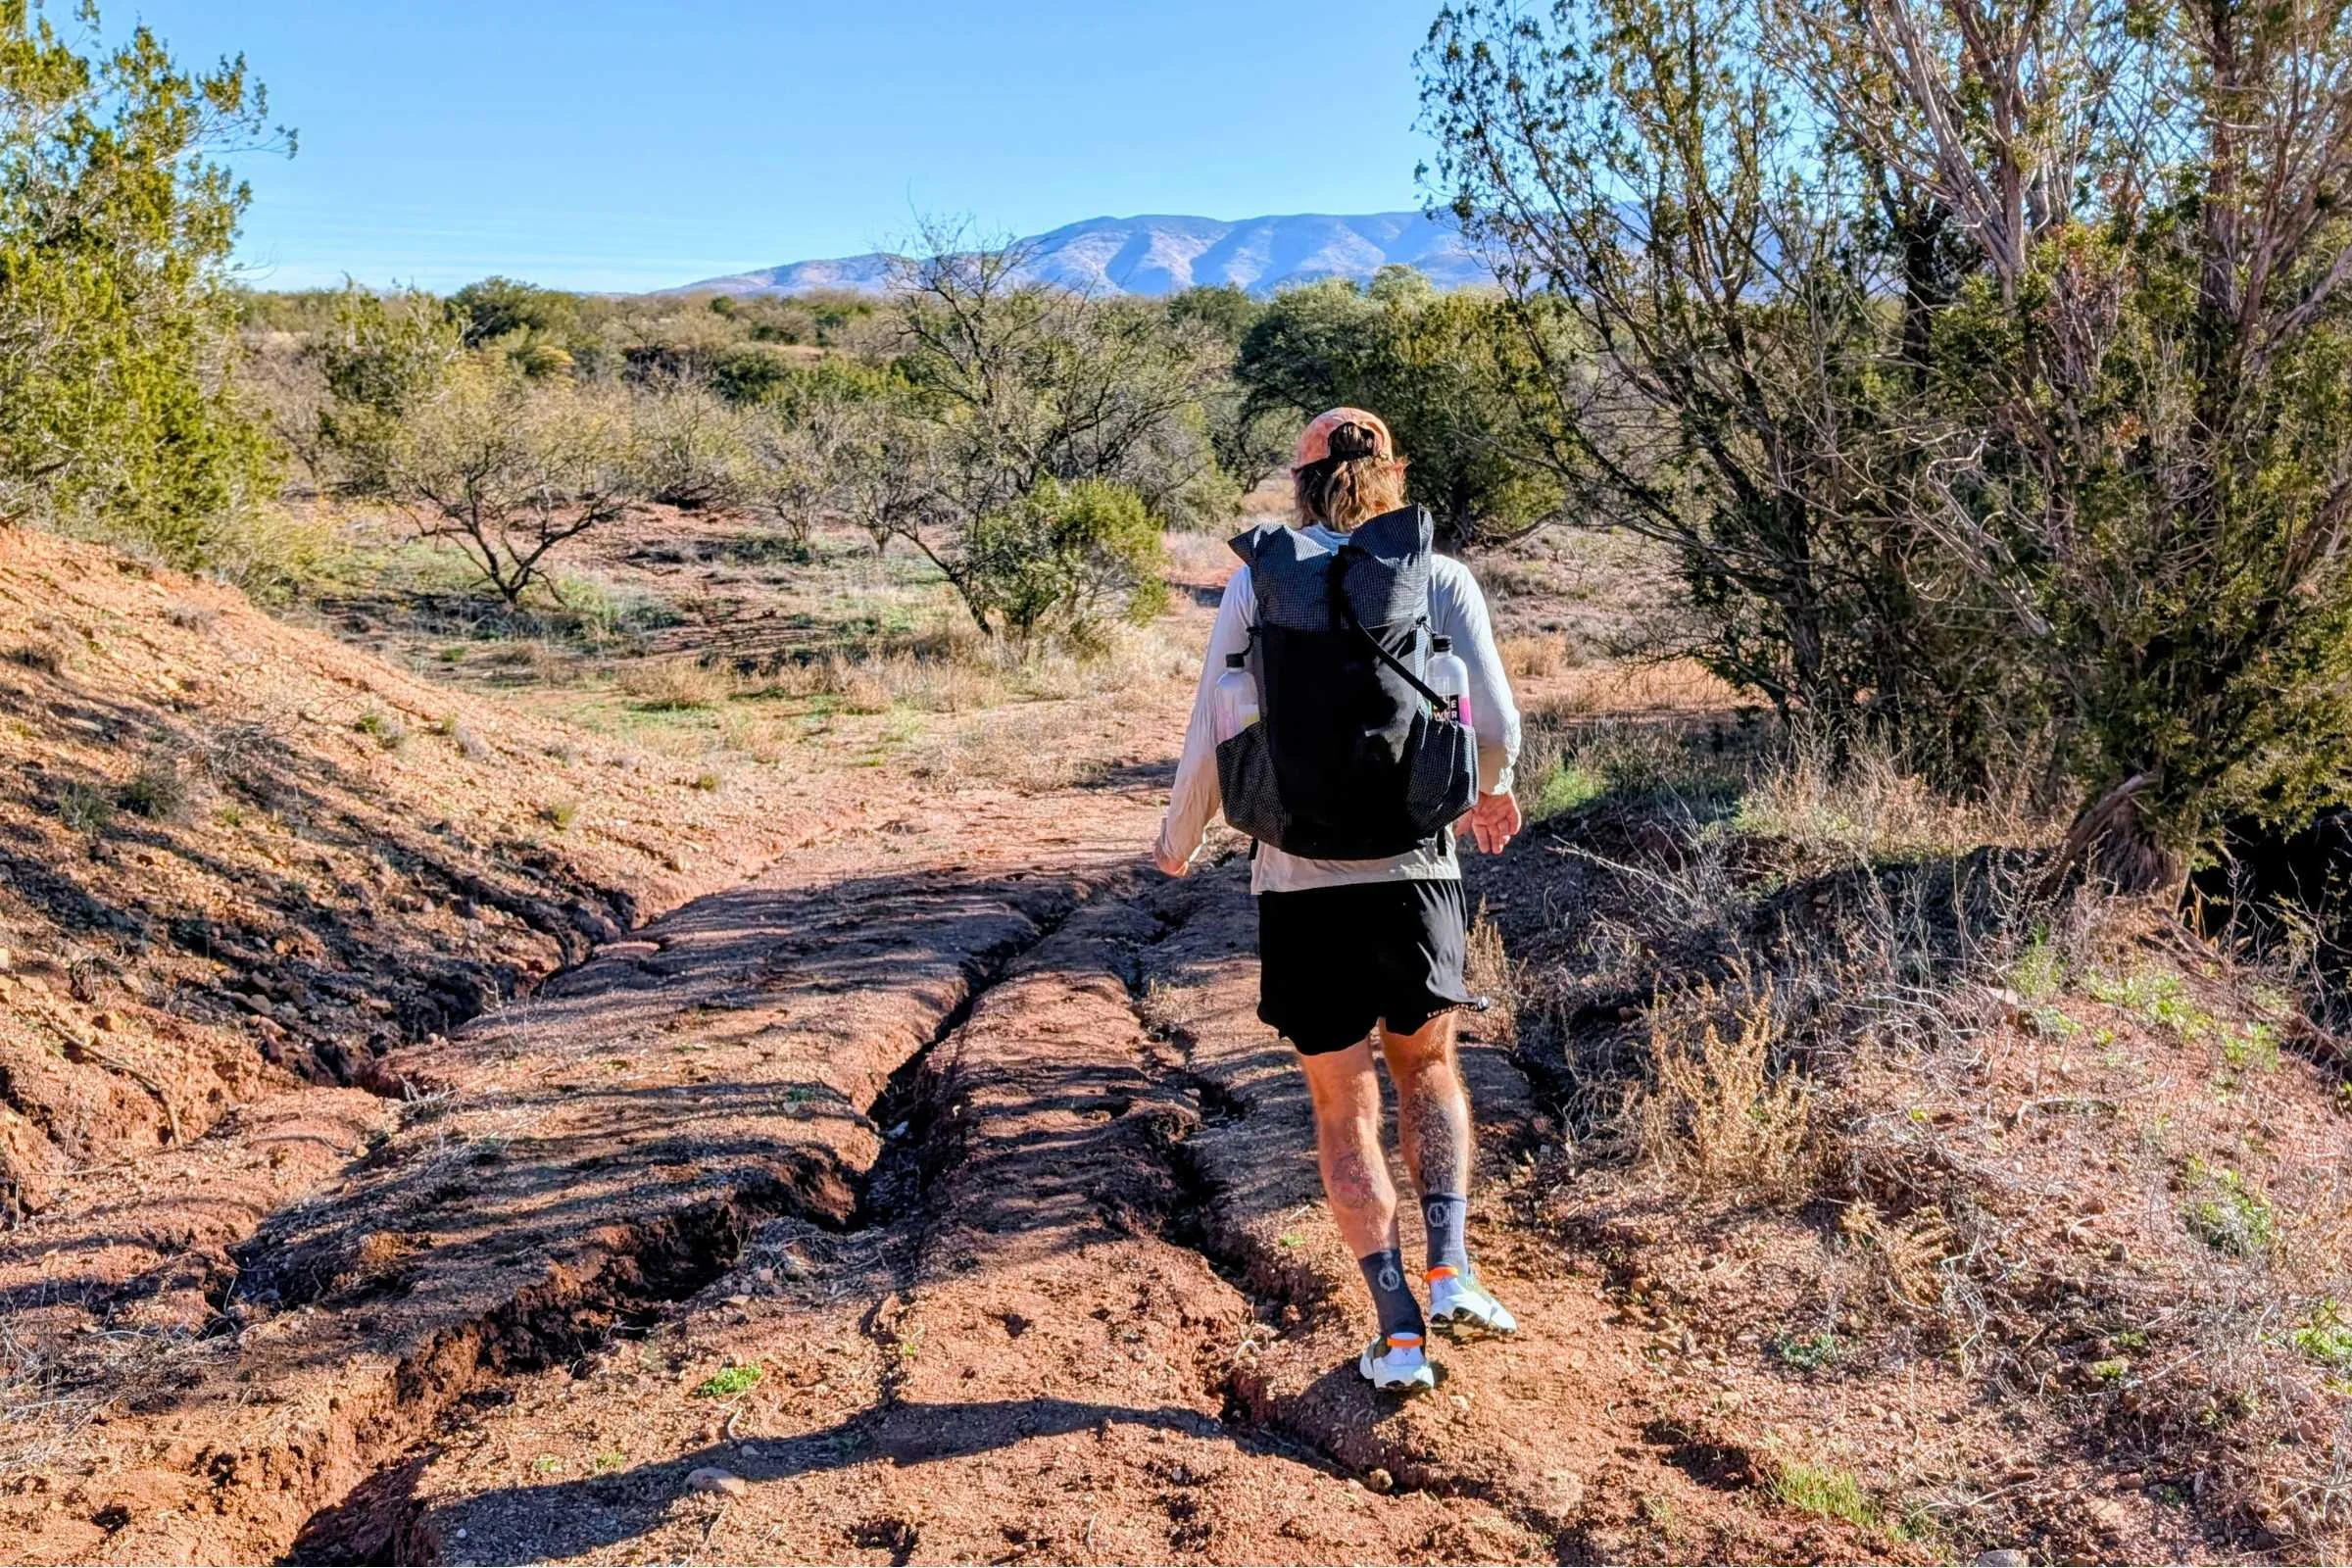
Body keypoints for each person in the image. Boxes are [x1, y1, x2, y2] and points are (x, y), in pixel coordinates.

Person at [1154, 407, 1524, 1394]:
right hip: (1417, 874)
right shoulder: (1438, 576)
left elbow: (1213, 720)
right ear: (1392, 473)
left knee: (1341, 1101)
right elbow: (1494, 720)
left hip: (1300, 882)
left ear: (1301, 481)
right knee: (1429, 1068)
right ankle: (1451, 1270)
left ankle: (1398, 1331)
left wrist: (1178, 836)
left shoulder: (1259, 580)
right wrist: (1489, 787)